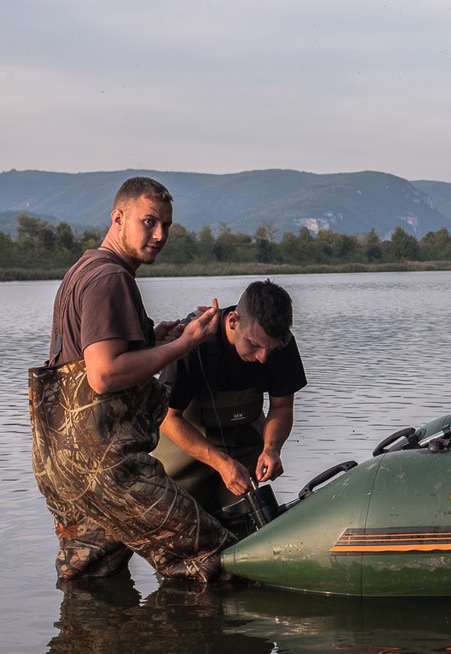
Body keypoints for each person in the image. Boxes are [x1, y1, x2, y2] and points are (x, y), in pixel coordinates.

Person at [29, 176, 236, 583]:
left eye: (167, 225)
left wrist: (153, 338)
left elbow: (88, 357)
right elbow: (104, 374)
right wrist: (187, 343)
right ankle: (213, 644)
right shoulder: (111, 278)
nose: (159, 235)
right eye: (149, 222)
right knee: (213, 555)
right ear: (118, 218)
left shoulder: (84, 269)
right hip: (107, 466)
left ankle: (101, 643)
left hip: (62, 466)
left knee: (91, 575)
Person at [154, 280, 306, 534]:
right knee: (187, 535)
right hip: (184, 457)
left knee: (250, 532)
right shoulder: (194, 339)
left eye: (271, 348)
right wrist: (221, 463)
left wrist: (272, 448)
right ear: (233, 320)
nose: (263, 357)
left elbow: (281, 408)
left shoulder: (279, 343)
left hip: (242, 452)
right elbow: (169, 419)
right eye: (254, 345)